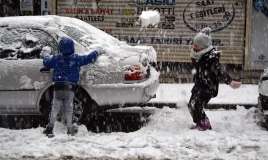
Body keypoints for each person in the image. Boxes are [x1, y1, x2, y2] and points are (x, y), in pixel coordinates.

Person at [41, 37, 104, 137]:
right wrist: (97, 51)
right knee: (69, 108)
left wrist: (46, 54)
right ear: (72, 47)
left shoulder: (56, 58)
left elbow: (47, 62)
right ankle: (70, 128)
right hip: (69, 88)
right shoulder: (76, 59)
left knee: (55, 108)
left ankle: (50, 127)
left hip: (58, 87)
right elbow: (88, 58)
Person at [188, 27, 241, 131]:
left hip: (208, 86)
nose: (193, 46)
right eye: (194, 44)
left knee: (196, 105)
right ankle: (200, 122)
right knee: (191, 105)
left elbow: (220, 71)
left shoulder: (211, 58)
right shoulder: (198, 53)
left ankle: (205, 125)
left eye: (196, 45)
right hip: (199, 84)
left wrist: (229, 81)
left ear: (203, 47)